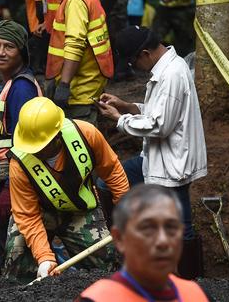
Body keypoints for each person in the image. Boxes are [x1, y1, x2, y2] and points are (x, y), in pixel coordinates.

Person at [97, 26, 206, 278]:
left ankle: (189, 282)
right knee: (107, 183)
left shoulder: (172, 75)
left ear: (144, 53)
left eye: (134, 62)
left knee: (181, 228)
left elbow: (160, 125)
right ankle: (127, 247)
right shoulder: (166, 69)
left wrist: (119, 119)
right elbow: (158, 111)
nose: (136, 68)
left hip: (172, 164)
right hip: (156, 160)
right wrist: (127, 107)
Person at [4, 97, 129, 280]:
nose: (34, 152)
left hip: (80, 209)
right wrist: (44, 258)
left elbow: (112, 171)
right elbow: (27, 215)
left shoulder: (86, 134)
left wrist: (127, 213)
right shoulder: (19, 163)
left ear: (57, 136)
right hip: (39, 212)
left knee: (104, 264)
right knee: (16, 256)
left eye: (40, 147)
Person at [78, 185, 208, 301]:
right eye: (147, 228)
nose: (162, 241)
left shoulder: (197, 295)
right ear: (119, 238)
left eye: (171, 227)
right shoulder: (97, 299)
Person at [0, 20, 43, 266]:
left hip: (16, 181)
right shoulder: (13, 83)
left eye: (8, 46)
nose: (0, 52)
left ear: (21, 51)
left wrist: (10, 189)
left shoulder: (21, 89)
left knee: (12, 247)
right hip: (6, 178)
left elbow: (24, 141)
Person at [42, 0, 114, 125]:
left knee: (82, 143)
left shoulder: (75, 0)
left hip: (79, 92)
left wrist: (64, 86)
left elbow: (75, 44)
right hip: (87, 85)